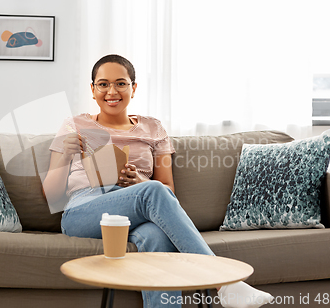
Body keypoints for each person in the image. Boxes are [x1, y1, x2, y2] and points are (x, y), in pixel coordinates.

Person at [43, 54, 273, 308]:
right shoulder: (74, 125)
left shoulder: (153, 129)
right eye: (103, 84)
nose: (112, 91)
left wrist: (139, 180)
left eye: (121, 83)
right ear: (93, 89)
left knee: (156, 237)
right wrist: (66, 154)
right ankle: (224, 283)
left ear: (134, 87)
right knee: (151, 191)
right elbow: (52, 198)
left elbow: (168, 190)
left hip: (138, 209)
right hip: (85, 209)